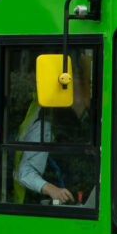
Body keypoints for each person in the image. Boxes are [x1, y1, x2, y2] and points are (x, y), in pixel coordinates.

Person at [12, 53, 101, 206]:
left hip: (82, 204)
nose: (90, 91)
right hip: (46, 208)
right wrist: (52, 189)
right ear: (69, 84)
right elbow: (24, 172)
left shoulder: (86, 120)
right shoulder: (46, 125)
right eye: (86, 83)